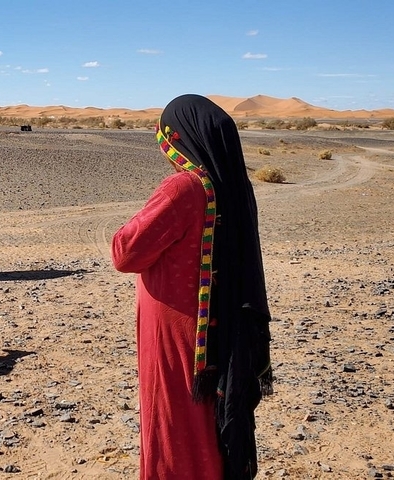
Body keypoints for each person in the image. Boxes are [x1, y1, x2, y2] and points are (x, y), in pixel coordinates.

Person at [112, 94, 273, 479]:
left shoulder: (184, 188)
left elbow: (125, 253)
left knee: (173, 419)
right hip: (222, 329)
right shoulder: (234, 187)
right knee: (206, 422)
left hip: (180, 335)